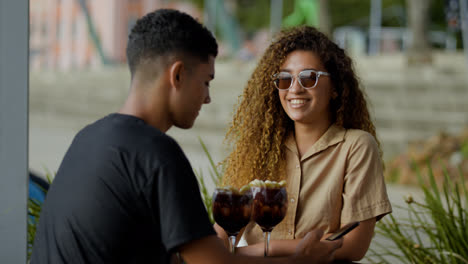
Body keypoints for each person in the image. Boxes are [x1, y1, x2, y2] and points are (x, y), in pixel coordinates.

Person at [30, 9, 342, 264]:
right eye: (206, 82)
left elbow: (188, 256)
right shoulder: (155, 152)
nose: (207, 99)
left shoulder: (89, 138)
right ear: (177, 75)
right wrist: (302, 260)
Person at [218, 26, 392, 261]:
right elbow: (224, 235)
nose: (295, 88)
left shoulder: (356, 146)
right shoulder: (260, 149)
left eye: (309, 77)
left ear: (335, 88)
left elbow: (353, 245)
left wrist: (260, 250)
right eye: (285, 79)